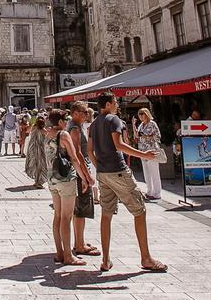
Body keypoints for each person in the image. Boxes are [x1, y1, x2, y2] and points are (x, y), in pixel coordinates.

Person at [89, 93, 167, 273]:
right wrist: (144, 155)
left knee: (106, 214)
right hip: (118, 170)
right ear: (108, 104)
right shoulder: (113, 120)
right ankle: (146, 258)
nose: (117, 105)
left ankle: (106, 260)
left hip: (103, 173)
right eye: (115, 102)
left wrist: (99, 166)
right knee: (140, 211)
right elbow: (119, 145)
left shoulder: (94, 124)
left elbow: (89, 150)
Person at [44, 109, 93, 265]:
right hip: (66, 179)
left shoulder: (47, 135)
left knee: (58, 216)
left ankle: (59, 252)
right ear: (59, 122)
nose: (67, 122)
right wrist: (84, 178)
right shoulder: (63, 135)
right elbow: (74, 158)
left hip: (52, 179)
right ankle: (68, 255)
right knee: (66, 217)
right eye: (65, 120)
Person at [67, 102, 99, 257]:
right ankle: (79, 245)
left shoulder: (76, 126)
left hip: (79, 171)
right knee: (82, 207)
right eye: (84, 111)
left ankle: (79, 241)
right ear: (75, 112)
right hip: (79, 172)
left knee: (79, 208)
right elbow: (77, 154)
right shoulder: (74, 128)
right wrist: (86, 176)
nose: (87, 114)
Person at [133, 108, 162, 201]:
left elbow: (158, 136)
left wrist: (147, 136)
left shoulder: (152, 124)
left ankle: (157, 193)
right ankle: (149, 192)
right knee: (146, 173)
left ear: (147, 114)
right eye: (139, 114)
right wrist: (133, 125)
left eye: (142, 114)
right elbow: (137, 136)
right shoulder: (141, 125)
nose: (140, 116)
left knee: (154, 172)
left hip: (152, 150)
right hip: (142, 151)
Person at [24, 116, 48, 188]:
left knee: (35, 164)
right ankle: (39, 182)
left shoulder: (33, 127)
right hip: (41, 149)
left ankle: (36, 181)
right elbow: (48, 137)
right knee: (41, 165)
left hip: (32, 148)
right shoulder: (43, 130)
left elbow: (27, 131)